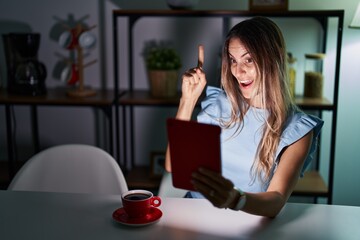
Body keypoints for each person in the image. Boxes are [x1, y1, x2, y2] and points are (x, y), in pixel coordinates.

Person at [165, 16, 323, 218]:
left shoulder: (297, 129)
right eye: (233, 60)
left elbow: (276, 200)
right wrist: (187, 100)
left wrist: (234, 199)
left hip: (248, 224)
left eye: (249, 59)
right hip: (194, 215)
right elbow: (173, 165)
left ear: (275, 58)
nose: (238, 71)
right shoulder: (218, 105)